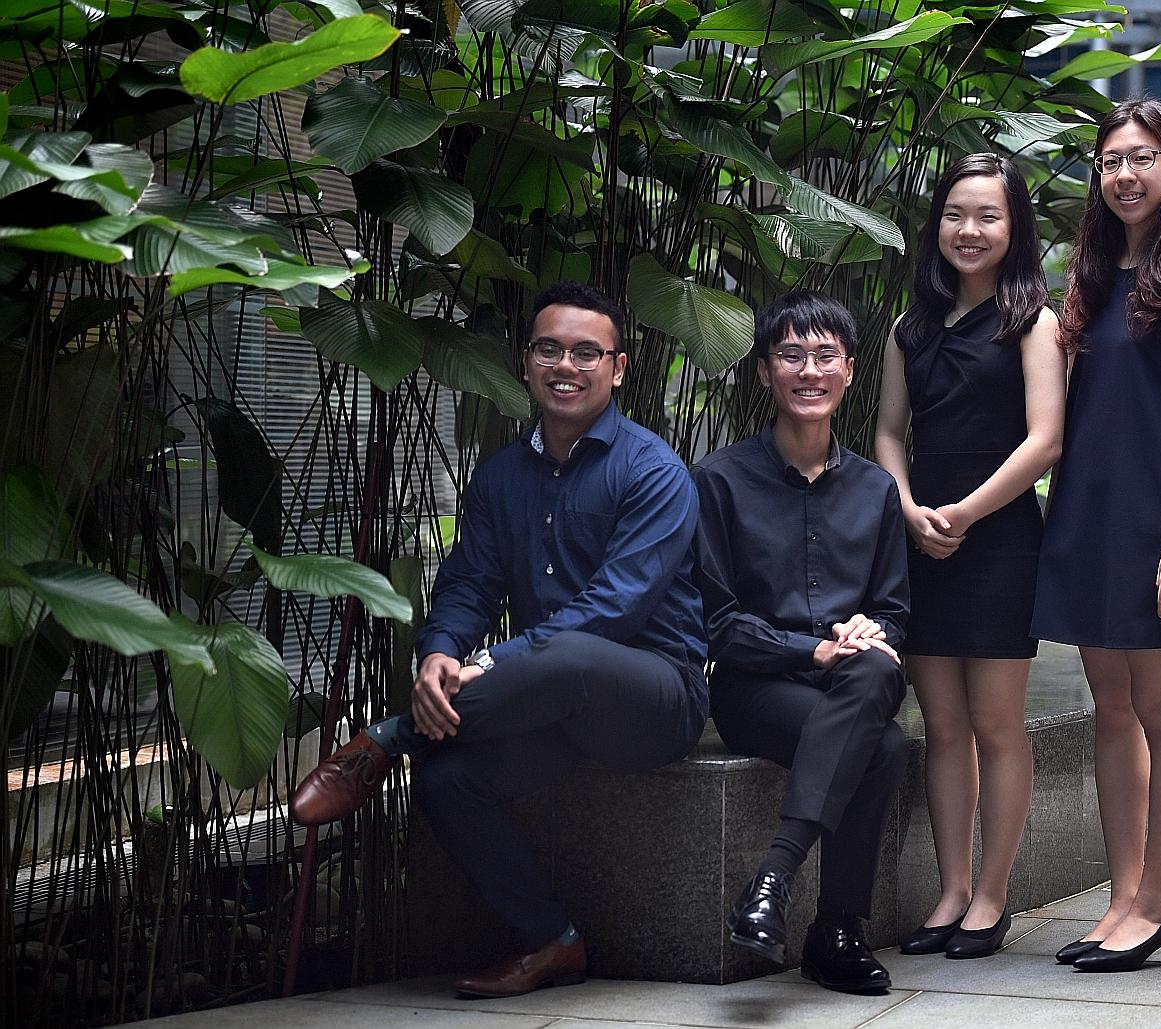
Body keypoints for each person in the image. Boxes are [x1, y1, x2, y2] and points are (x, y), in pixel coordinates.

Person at [288, 281, 709, 997]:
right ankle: (550, 940)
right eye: (550, 349)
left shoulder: (654, 471)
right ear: (526, 360)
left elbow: (613, 609)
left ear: (619, 366)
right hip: (548, 702)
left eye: (586, 352)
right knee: (450, 780)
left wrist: (491, 663)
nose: (565, 366)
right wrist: (440, 654)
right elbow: (468, 585)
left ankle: (389, 737)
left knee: (576, 651)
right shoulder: (499, 478)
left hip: (652, 699)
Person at [1032, 98, 1161, 973]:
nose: (1124, 175)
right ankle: (1120, 899)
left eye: (1142, 158)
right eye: (1111, 160)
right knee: (1108, 707)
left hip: (1159, 520)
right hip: (1085, 510)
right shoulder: (1090, 280)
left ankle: (1157, 904)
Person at [873, 153, 1066, 959]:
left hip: (1000, 540)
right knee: (943, 724)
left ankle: (992, 895)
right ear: (937, 225)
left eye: (987, 215)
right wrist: (909, 507)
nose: (970, 229)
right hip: (921, 538)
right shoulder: (907, 327)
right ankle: (951, 891)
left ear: (1014, 226)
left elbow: (1045, 440)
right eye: (956, 214)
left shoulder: (1035, 321)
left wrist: (965, 511)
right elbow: (887, 430)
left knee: (996, 723)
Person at [693, 291, 910, 994]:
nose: (808, 370)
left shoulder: (877, 490)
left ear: (849, 370)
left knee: (878, 675)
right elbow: (716, 621)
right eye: (791, 355)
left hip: (851, 679)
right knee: (881, 744)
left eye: (825, 356)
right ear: (763, 371)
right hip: (757, 687)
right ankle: (835, 933)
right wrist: (808, 649)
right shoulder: (719, 481)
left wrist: (865, 629)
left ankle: (774, 877)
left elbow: (895, 612)